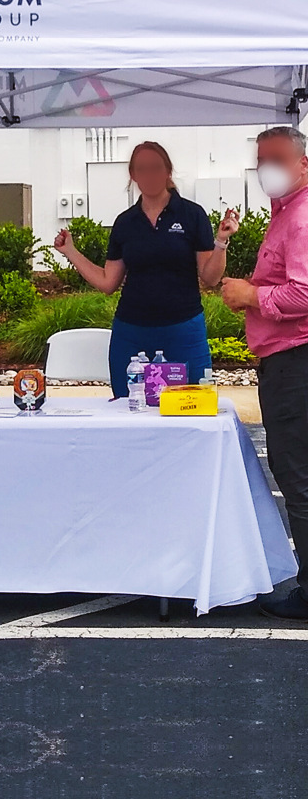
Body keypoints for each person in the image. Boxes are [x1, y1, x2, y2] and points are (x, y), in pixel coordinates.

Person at [54, 141, 239, 397]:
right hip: (132, 332)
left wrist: (221, 242)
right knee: (129, 409)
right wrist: (70, 252)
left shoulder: (191, 215)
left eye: (155, 167)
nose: (149, 175)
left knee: (191, 406)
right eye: (142, 169)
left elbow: (210, 278)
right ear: (133, 176)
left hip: (183, 330)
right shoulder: (125, 223)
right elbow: (108, 282)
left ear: (168, 171)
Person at [221, 126, 308, 620]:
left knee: (297, 477)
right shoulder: (286, 215)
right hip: (287, 359)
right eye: (260, 160)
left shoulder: (300, 219)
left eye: (276, 159)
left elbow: (304, 292)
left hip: (296, 361)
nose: (265, 169)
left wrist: (253, 296)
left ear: (303, 164)